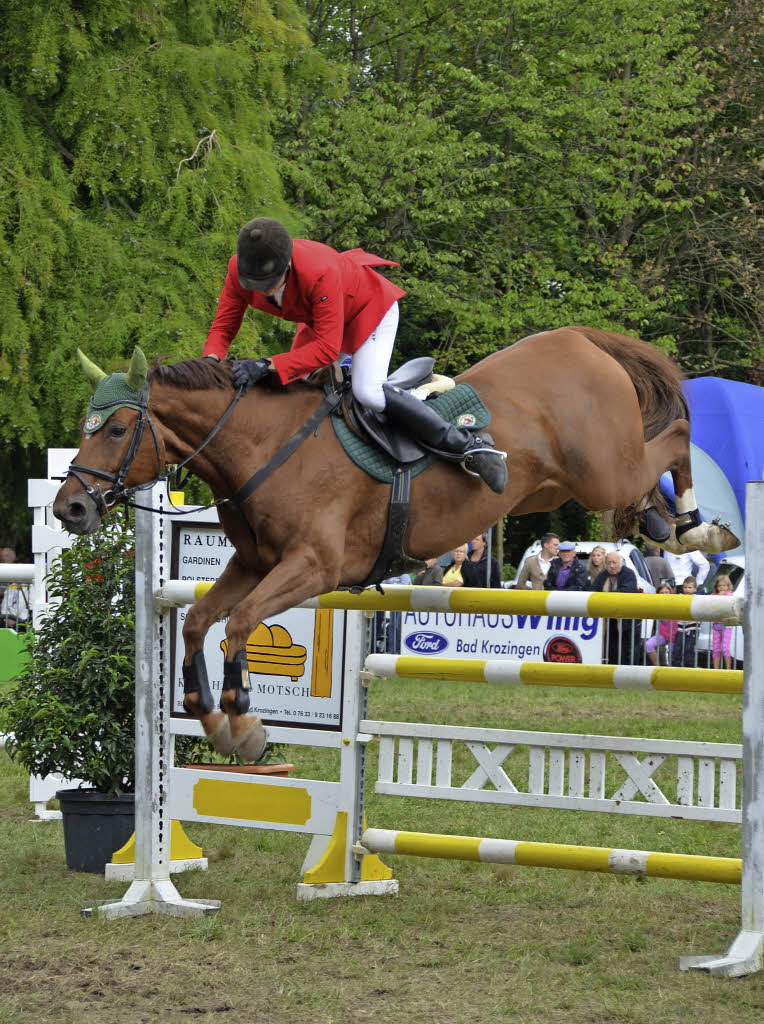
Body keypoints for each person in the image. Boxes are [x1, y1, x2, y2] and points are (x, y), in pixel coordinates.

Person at [202, 218, 507, 492]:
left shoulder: (319, 270)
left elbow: (327, 349)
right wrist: (208, 366)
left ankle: (468, 446)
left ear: (288, 266)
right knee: (294, 392)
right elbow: (223, 327)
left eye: (269, 284)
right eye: (256, 285)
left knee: (367, 392)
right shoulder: (238, 270)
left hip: (370, 310)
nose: (264, 292)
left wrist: (266, 364)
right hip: (321, 321)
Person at [592, 551, 641, 664]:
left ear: (621, 563)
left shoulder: (628, 574)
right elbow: (593, 590)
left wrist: (605, 597)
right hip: (610, 621)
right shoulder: (603, 575)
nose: (612, 566)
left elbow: (626, 591)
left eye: (614, 563)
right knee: (612, 652)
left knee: (628, 653)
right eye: (609, 563)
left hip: (628, 622)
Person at [644, 582, 678, 665]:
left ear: (671, 593)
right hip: (662, 636)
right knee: (648, 645)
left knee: (671, 659)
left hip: (674, 638)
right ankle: (657, 667)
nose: (664, 594)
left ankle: (671, 671)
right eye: (661, 593)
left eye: (666, 592)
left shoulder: (675, 603)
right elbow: (648, 597)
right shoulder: (657, 604)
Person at [672, 576, 700, 666]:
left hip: (692, 629)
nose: (687, 590)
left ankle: (689, 669)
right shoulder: (680, 597)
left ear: (695, 589)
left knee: (689, 650)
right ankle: (675, 669)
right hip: (680, 629)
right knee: (677, 650)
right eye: (685, 587)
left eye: (690, 587)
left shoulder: (696, 598)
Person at [711, 574, 734, 669]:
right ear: (716, 587)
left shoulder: (730, 595)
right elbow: (709, 600)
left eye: (724, 585)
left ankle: (728, 669)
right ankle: (716, 669)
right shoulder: (713, 595)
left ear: (728, 586)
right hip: (716, 625)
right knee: (716, 649)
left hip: (727, 625)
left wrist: (720, 596)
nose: (721, 588)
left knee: (725, 648)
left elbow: (729, 597)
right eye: (719, 586)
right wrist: (718, 596)